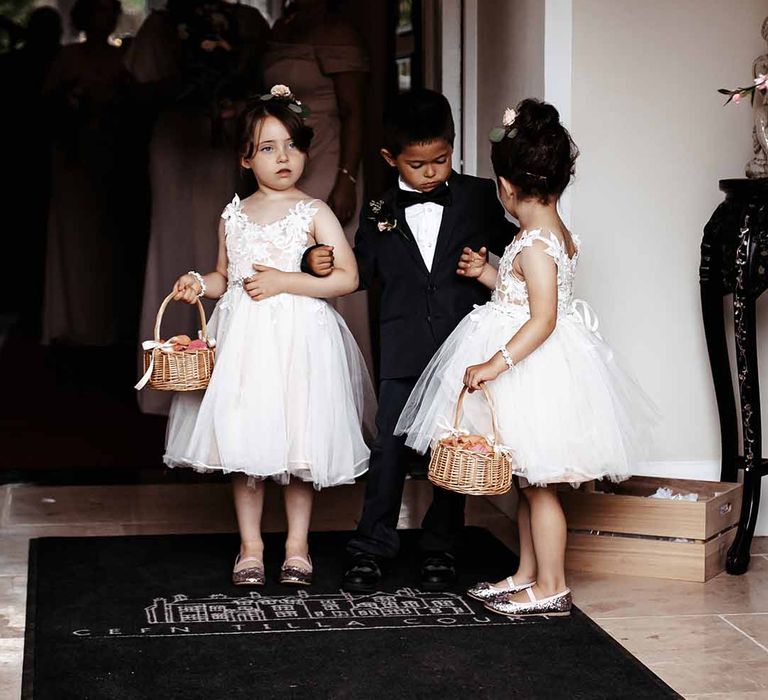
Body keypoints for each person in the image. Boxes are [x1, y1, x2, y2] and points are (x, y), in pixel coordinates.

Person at [395, 99, 658, 616]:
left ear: (508, 189)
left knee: (541, 489)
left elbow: (543, 318)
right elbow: (520, 297)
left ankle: (552, 584)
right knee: (526, 482)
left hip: (532, 368)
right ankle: (526, 573)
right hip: (527, 359)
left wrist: (494, 364)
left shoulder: (537, 243)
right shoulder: (542, 235)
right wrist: (486, 275)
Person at [304, 89, 518, 592]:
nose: (431, 173)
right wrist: (312, 263)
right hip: (400, 349)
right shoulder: (378, 205)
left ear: (453, 146)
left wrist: (487, 268)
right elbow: (359, 273)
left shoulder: (479, 195)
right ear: (390, 158)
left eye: (440, 160)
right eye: (418, 164)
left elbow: (518, 256)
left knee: (454, 445)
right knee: (390, 450)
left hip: (461, 347)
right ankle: (371, 544)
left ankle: (441, 546)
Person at [164, 88, 375, 586]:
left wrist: (287, 281)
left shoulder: (314, 212)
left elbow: (347, 277)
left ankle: (298, 545)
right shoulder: (233, 214)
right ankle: (252, 546)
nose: (282, 157)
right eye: (267, 147)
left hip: (301, 341)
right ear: (245, 158)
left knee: (299, 447)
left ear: (304, 151)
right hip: (245, 345)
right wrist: (199, 283)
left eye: (292, 146)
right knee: (246, 445)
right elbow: (225, 276)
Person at [125, 0, 270, 414]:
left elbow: (265, 81)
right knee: (171, 242)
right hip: (176, 135)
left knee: (222, 241)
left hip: (225, 137)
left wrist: (230, 96)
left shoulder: (248, 21)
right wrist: (190, 85)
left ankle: (217, 370)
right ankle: (167, 368)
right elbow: (138, 90)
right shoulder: (161, 26)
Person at [264, 0, 373, 370]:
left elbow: (354, 111)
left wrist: (347, 177)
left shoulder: (337, 31)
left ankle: (335, 376)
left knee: (327, 258)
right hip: (286, 154)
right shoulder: (281, 28)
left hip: (328, 157)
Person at [41, 0, 126, 346]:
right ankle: (69, 322)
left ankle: (105, 324)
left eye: (109, 11)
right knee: (73, 237)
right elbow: (46, 106)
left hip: (112, 158)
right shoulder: (67, 57)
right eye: (98, 10)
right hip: (73, 159)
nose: (103, 17)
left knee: (106, 240)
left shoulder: (122, 59)